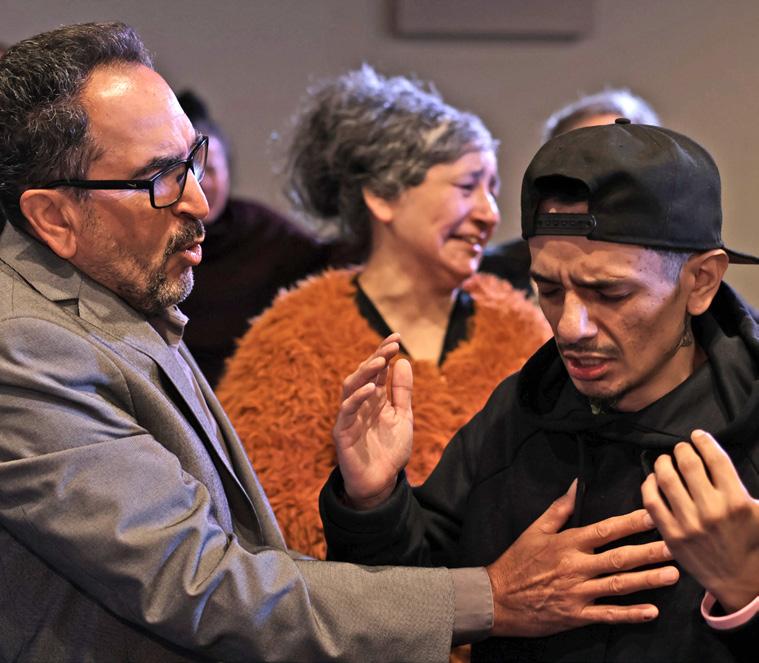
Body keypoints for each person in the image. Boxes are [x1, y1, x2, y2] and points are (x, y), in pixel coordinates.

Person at [0, 22, 682, 662]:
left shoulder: (120, 287)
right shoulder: (27, 348)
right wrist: (490, 595)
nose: (200, 202)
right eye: (158, 178)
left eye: (193, 161)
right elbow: (204, 582)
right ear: (54, 217)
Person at [321, 120, 759, 662]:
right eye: (549, 290)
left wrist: (748, 592)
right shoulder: (522, 410)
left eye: (609, 293)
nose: (571, 327)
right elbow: (407, 611)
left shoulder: (748, 429)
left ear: (701, 282)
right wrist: (373, 503)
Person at [216, 65, 551, 562]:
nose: (490, 214)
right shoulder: (295, 337)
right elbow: (270, 518)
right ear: (382, 197)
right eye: (467, 187)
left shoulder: (524, 331)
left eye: (492, 189)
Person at [175, 90, 347, 387]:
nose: (200, 185)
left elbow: (327, 261)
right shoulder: (156, 237)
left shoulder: (262, 231)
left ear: (228, 171)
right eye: (185, 172)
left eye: (209, 169)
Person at [480, 87, 660, 289]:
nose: (597, 175)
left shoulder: (673, 267)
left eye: (618, 157)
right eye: (584, 158)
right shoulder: (491, 274)